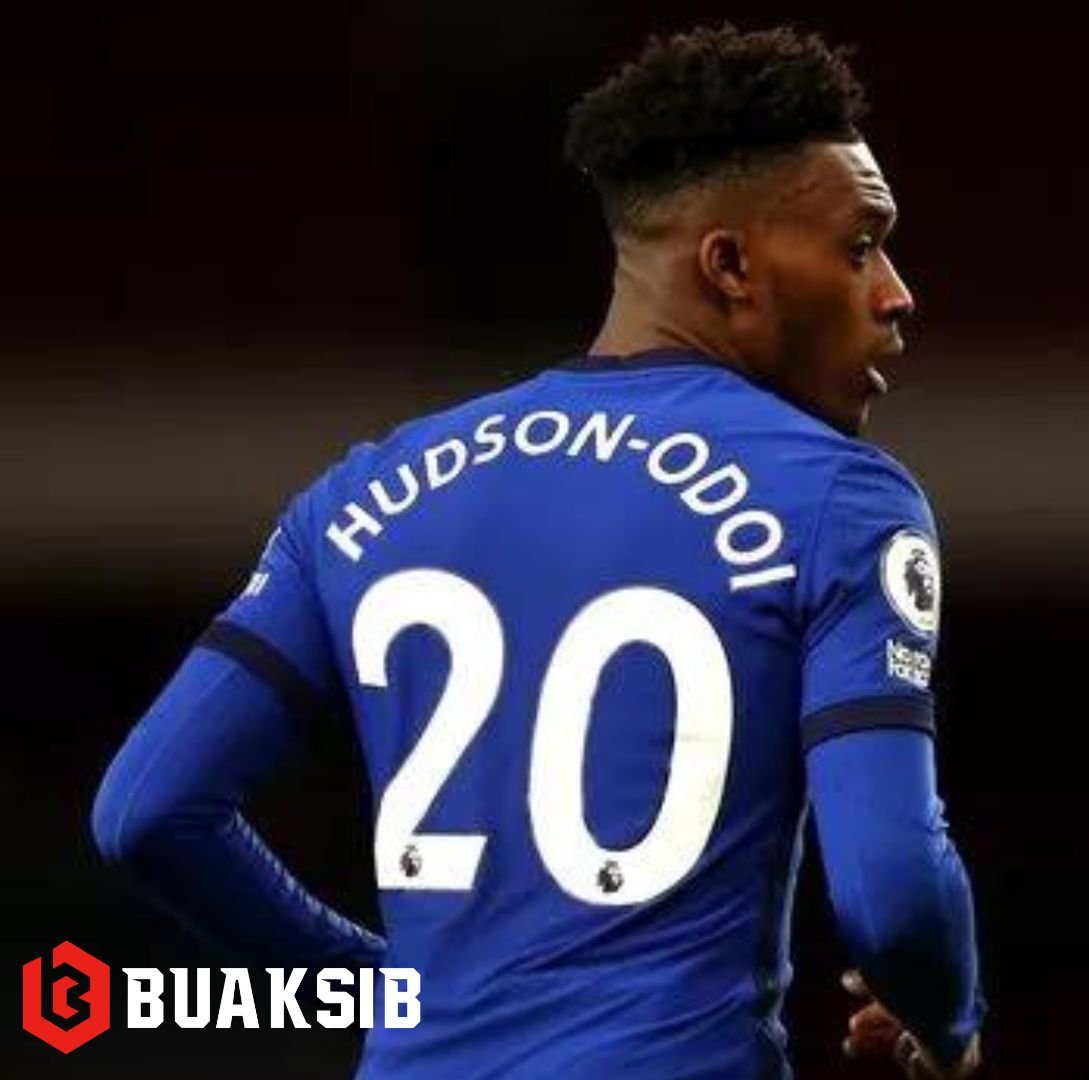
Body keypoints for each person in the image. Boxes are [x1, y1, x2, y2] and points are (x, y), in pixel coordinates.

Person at [91, 24, 985, 1078]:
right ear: (731, 266)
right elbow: (892, 896)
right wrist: (947, 1015)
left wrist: (392, 993)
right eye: (861, 245)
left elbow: (147, 811)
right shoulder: (839, 499)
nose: (895, 292)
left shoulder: (361, 496)